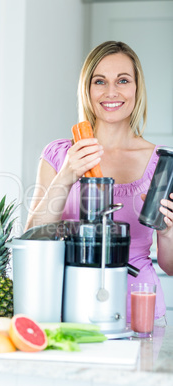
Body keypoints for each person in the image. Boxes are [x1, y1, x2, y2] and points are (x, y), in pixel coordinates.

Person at [25, 41, 173, 325]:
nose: (111, 92)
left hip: (137, 311)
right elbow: (34, 238)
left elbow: (170, 265)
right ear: (87, 90)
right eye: (100, 81)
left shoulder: (162, 163)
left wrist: (167, 233)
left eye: (123, 80)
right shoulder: (58, 155)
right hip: (68, 308)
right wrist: (67, 174)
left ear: (137, 88)